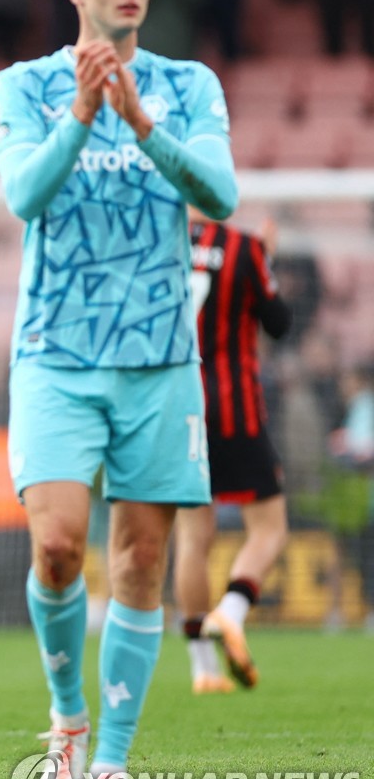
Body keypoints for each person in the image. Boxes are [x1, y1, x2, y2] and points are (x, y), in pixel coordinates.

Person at [0, 0, 237, 779]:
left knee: (139, 558)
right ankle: (67, 724)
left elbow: (221, 195)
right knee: (57, 547)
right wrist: (88, 117)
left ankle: (113, 763)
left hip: (160, 360)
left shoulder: (187, 85)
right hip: (56, 354)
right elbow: (24, 196)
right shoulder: (25, 86)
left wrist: (143, 125)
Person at [174, 212, 291, 694]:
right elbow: (280, 324)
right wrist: (268, 258)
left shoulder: (159, 242)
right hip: (234, 410)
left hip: (177, 412)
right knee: (269, 528)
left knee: (192, 538)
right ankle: (232, 610)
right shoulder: (245, 247)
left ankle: (203, 668)